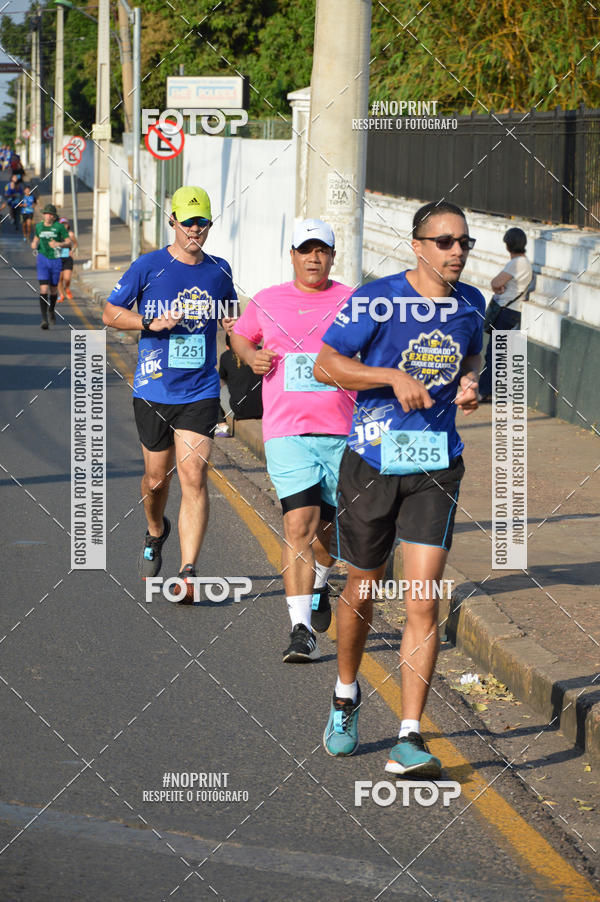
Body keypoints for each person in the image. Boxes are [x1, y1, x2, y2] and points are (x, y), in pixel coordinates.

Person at [314, 201, 484, 774]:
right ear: (417, 245)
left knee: (423, 597)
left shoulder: (471, 302)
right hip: (372, 461)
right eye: (445, 241)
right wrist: (390, 376)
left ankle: (409, 736)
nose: (457, 251)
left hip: (437, 464)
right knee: (362, 588)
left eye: (464, 242)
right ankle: (345, 694)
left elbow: (473, 353)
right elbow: (325, 365)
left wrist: (469, 383)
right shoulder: (377, 299)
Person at [102, 186, 237, 600]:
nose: (195, 229)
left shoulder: (219, 270)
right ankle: (155, 529)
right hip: (154, 387)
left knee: (194, 475)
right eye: (188, 221)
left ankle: (188, 571)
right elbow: (110, 313)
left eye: (202, 222)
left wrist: (243, 340)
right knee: (156, 480)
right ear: (172, 221)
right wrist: (150, 323)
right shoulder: (149, 266)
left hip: (200, 390)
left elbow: (231, 319)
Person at [231, 219, 355, 663]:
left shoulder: (354, 302)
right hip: (287, 431)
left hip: (342, 431)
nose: (313, 258)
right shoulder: (267, 300)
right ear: (293, 255)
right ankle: (300, 630)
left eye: (322, 250)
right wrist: (251, 355)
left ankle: (320, 582)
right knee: (298, 524)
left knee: (331, 535)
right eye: (306, 250)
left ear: (333, 257)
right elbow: (240, 335)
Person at [478, 227, 532, 401]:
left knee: (494, 353)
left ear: (508, 245)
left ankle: (485, 392)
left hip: (506, 311)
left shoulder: (517, 263)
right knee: (499, 353)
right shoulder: (523, 263)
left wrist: (498, 287)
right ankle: (491, 391)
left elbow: (495, 282)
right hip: (513, 311)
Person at [31, 203, 71, 329]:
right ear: (43, 215)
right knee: (43, 289)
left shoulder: (59, 227)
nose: (47, 216)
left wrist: (59, 244)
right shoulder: (39, 226)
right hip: (42, 259)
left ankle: (51, 309)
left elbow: (68, 242)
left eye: (50, 214)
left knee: (53, 290)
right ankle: (44, 319)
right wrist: (34, 243)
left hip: (56, 260)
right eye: (46, 214)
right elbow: (36, 239)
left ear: (54, 216)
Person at [57, 216, 78, 301]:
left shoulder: (70, 234)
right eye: (62, 224)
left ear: (68, 225)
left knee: (67, 278)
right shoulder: (56, 234)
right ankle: (61, 294)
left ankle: (67, 288)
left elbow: (75, 244)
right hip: (58, 258)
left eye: (65, 224)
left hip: (67, 258)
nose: (64, 226)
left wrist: (72, 251)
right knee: (59, 279)